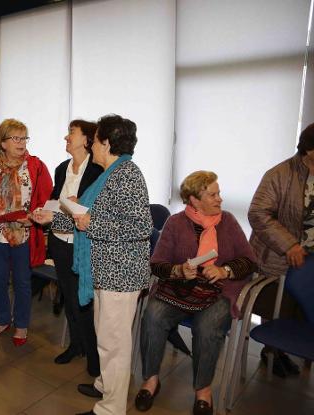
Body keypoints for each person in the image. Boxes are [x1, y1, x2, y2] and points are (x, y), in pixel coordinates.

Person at [33, 114, 152, 415]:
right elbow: (84, 217)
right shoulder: (110, 172)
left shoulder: (127, 174)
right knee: (106, 336)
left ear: (107, 143)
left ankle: (110, 409)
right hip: (105, 270)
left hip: (120, 274)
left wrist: (92, 223)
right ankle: (104, 385)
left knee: (114, 344)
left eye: (96, 138)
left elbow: (140, 226)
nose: (92, 143)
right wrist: (53, 218)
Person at [135, 171, 257, 415]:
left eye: (218, 193)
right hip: (178, 289)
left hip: (219, 292)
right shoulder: (175, 223)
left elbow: (250, 261)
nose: (219, 199)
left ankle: (203, 390)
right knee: (153, 316)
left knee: (208, 327)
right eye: (212, 194)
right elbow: (157, 263)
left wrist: (225, 271)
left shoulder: (229, 222)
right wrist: (179, 270)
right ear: (193, 199)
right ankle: (151, 380)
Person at [0, 118, 53, 346]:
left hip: (24, 234)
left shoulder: (36, 166)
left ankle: (22, 326)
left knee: (22, 282)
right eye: (16, 138)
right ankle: (2, 320)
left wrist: (36, 217)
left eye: (24, 137)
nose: (21, 142)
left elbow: (46, 199)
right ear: (3, 142)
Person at [248, 122, 314, 377]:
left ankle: (284, 351)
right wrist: (289, 244)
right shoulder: (280, 174)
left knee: (301, 308)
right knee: (278, 305)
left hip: (310, 257)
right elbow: (258, 213)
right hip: (278, 255)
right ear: (309, 150)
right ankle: (273, 350)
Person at [48, 120, 103, 377]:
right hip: (60, 241)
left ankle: (94, 357)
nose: (66, 137)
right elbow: (54, 199)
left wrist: (79, 203)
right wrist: (44, 211)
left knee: (86, 303)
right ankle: (76, 345)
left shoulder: (97, 170)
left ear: (86, 139)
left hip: (83, 244)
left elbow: (98, 209)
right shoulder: (61, 169)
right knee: (70, 300)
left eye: (71, 133)